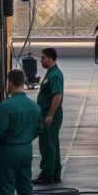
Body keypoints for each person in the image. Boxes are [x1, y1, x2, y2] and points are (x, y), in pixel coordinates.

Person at [33, 47, 64, 185]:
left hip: (50, 114)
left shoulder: (54, 75)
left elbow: (57, 96)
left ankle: (47, 174)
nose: (41, 60)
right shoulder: (51, 73)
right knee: (53, 143)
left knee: (47, 145)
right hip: (47, 113)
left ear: (51, 58)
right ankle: (55, 172)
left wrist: (50, 115)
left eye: (43, 58)